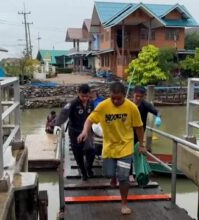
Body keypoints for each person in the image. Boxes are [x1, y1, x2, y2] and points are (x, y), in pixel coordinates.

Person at [78, 82, 145, 215]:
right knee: (108, 173)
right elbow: (89, 120)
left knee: (124, 177)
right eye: (113, 98)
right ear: (109, 95)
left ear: (124, 95)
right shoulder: (103, 106)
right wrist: (85, 131)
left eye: (118, 98)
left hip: (126, 146)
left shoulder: (132, 107)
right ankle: (112, 176)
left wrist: (142, 145)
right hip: (109, 146)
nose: (115, 101)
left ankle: (124, 204)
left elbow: (139, 127)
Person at [55, 84, 95, 181]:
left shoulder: (91, 103)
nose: (85, 98)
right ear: (78, 94)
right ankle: (83, 172)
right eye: (83, 96)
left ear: (89, 94)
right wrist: (57, 125)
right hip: (75, 132)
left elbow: (95, 116)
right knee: (78, 153)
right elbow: (63, 114)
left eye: (87, 96)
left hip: (87, 132)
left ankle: (88, 167)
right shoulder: (72, 104)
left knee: (91, 151)